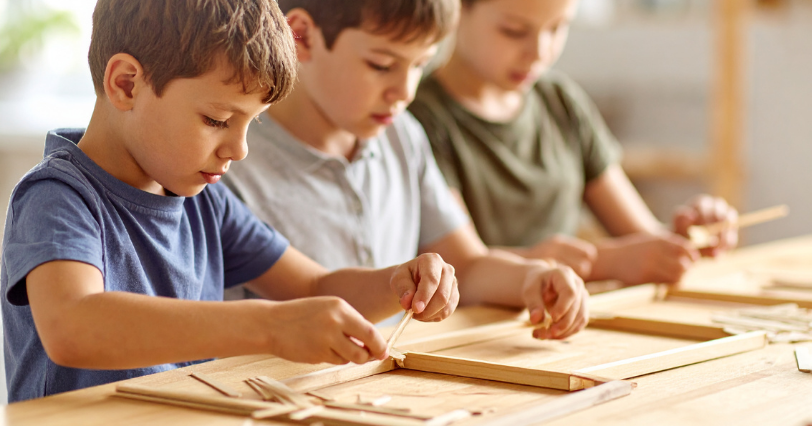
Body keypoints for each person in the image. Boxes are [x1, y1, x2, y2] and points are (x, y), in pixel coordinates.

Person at [1, 0, 459, 403]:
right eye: (217, 119)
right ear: (125, 84)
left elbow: (315, 287)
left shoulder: (205, 202)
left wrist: (398, 282)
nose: (239, 150)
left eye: (251, 124)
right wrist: (269, 326)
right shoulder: (59, 196)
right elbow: (73, 326)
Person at [224, 0, 589, 342]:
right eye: (381, 65)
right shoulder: (229, 158)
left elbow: (468, 263)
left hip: (383, 385)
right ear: (300, 35)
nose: (404, 91)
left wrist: (533, 278)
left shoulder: (402, 134)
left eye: (419, 66)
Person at [408, 0, 739, 286]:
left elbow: (641, 236)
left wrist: (689, 236)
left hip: (563, 324)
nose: (538, 52)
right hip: (465, 336)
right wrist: (605, 263)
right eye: (513, 31)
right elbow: (463, 269)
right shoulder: (418, 119)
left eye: (556, 28)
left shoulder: (561, 102)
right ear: (459, 10)